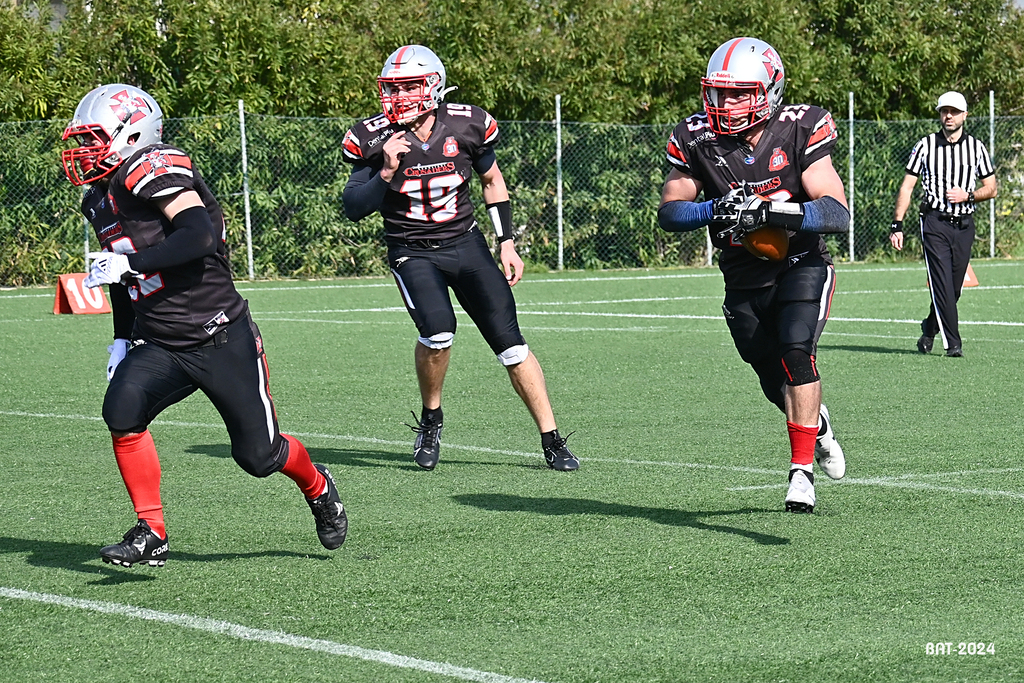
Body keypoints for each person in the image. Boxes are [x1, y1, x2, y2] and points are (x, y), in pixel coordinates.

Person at [61, 84, 348, 567]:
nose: (85, 150)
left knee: (259, 457)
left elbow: (199, 236)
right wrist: (121, 339)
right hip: (161, 341)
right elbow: (120, 273)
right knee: (122, 410)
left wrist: (131, 265)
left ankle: (318, 485)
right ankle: (151, 531)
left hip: (220, 335)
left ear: (131, 135)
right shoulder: (98, 198)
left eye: (94, 138)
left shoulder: (153, 167)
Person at [341, 45, 579, 472]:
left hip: (466, 244)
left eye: (409, 86)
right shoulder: (373, 138)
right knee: (438, 333)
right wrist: (387, 171)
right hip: (412, 250)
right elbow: (354, 206)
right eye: (393, 88)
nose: (398, 96)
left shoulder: (467, 123)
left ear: (434, 86)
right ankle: (431, 419)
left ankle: (551, 437)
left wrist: (506, 242)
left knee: (512, 345)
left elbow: (492, 180)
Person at [657, 37, 848, 513]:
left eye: (740, 93)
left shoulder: (800, 126)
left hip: (801, 262)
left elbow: (836, 211)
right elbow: (671, 210)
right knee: (770, 377)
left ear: (770, 89)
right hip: (742, 274)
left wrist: (772, 213)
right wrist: (713, 208)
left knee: (796, 353)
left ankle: (800, 474)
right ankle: (818, 426)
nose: (727, 104)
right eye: (720, 93)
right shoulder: (696, 137)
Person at [889, 91, 997, 357]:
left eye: (954, 111)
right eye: (944, 111)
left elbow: (992, 188)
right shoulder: (925, 146)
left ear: (965, 115)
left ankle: (929, 327)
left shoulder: (976, 148)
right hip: (935, 222)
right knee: (942, 285)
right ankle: (953, 344)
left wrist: (967, 195)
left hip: (964, 225)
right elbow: (907, 186)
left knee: (954, 288)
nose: (949, 116)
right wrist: (897, 225)